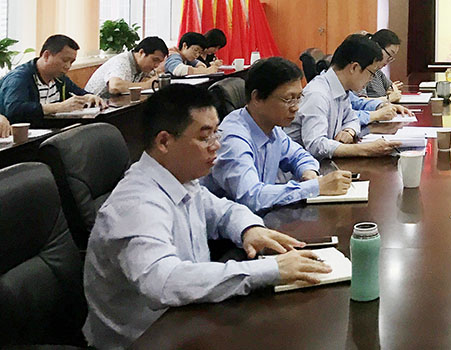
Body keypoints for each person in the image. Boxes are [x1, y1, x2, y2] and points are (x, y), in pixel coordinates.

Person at [83, 84, 332, 349]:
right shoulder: (136, 204)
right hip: (145, 339)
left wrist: (250, 229)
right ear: (164, 142)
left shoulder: (180, 178)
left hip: (190, 318)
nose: (217, 146)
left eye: (216, 133)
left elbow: (224, 211)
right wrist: (271, 270)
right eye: (205, 138)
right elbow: (164, 282)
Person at [205, 56, 352, 212]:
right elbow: (251, 197)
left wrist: (309, 172)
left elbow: (299, 156)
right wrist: (316, 187)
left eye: (298, 98)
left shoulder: (271, 128)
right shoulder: (233, 139)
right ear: (257, 98)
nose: (296, 107)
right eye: (288, 99)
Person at [286, 34, 401, 159]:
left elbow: (352, 119)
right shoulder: (317, 94)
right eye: (371, 73)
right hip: (301, 168)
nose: (371, 79)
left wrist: (349, 131)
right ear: (354, 67)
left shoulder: (341, 89)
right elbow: (316, 145)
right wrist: (365, 149)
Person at [0, 34, 105, 123]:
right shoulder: (19, 78)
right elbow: (14, 110)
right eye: (65, 60)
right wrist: (58, 107)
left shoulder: (59, 78)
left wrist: (89, 97)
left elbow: (79, 93)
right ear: (46, 56)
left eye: (71, 62)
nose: (68, 66)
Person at [352, 29, 412, 124]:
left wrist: (389, 96)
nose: (388, 61)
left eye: (392, 58)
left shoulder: (377, 71)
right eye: (389, 55)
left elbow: (391, 88)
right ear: (377, 47)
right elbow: (358, 102)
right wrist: (388, 99)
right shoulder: (363, 68)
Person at [85, 36, 168, 98]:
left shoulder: (142, 67)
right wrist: (148, 85)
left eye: (159, 62)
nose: (156, 65)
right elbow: (115, 87)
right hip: (92, 108)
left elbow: (156, 75)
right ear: (141, 52)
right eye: (155, 60)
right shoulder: (122, 61)